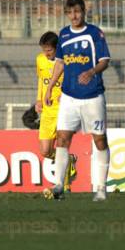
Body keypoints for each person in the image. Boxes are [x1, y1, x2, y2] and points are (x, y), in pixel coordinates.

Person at [44, 0, 111, 201]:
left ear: (84, 12)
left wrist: (91, 72)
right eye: (70, 12)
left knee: (99, 140)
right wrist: (50, 87)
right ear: (67, 14)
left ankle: (100, 188)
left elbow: (104, 61)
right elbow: (60, 63)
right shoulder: (63, 35)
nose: (74, 16)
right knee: (62, 138)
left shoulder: (94, 34)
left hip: (92, 96)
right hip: (69, 97)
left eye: (77, 12)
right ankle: (58, 185)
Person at [35, 31, 76, 192]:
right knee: (45, 151)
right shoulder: (40, 60)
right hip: (47, 112)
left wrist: (66, 94)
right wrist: (39, 99)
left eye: (49, 50)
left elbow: (72, 80)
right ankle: (69, 160)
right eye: (44, 49)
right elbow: (41, 80)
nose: (46, 53)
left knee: (61, 146)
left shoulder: (66, 61)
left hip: (62, 110)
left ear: (56, 48)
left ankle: (65, 186)